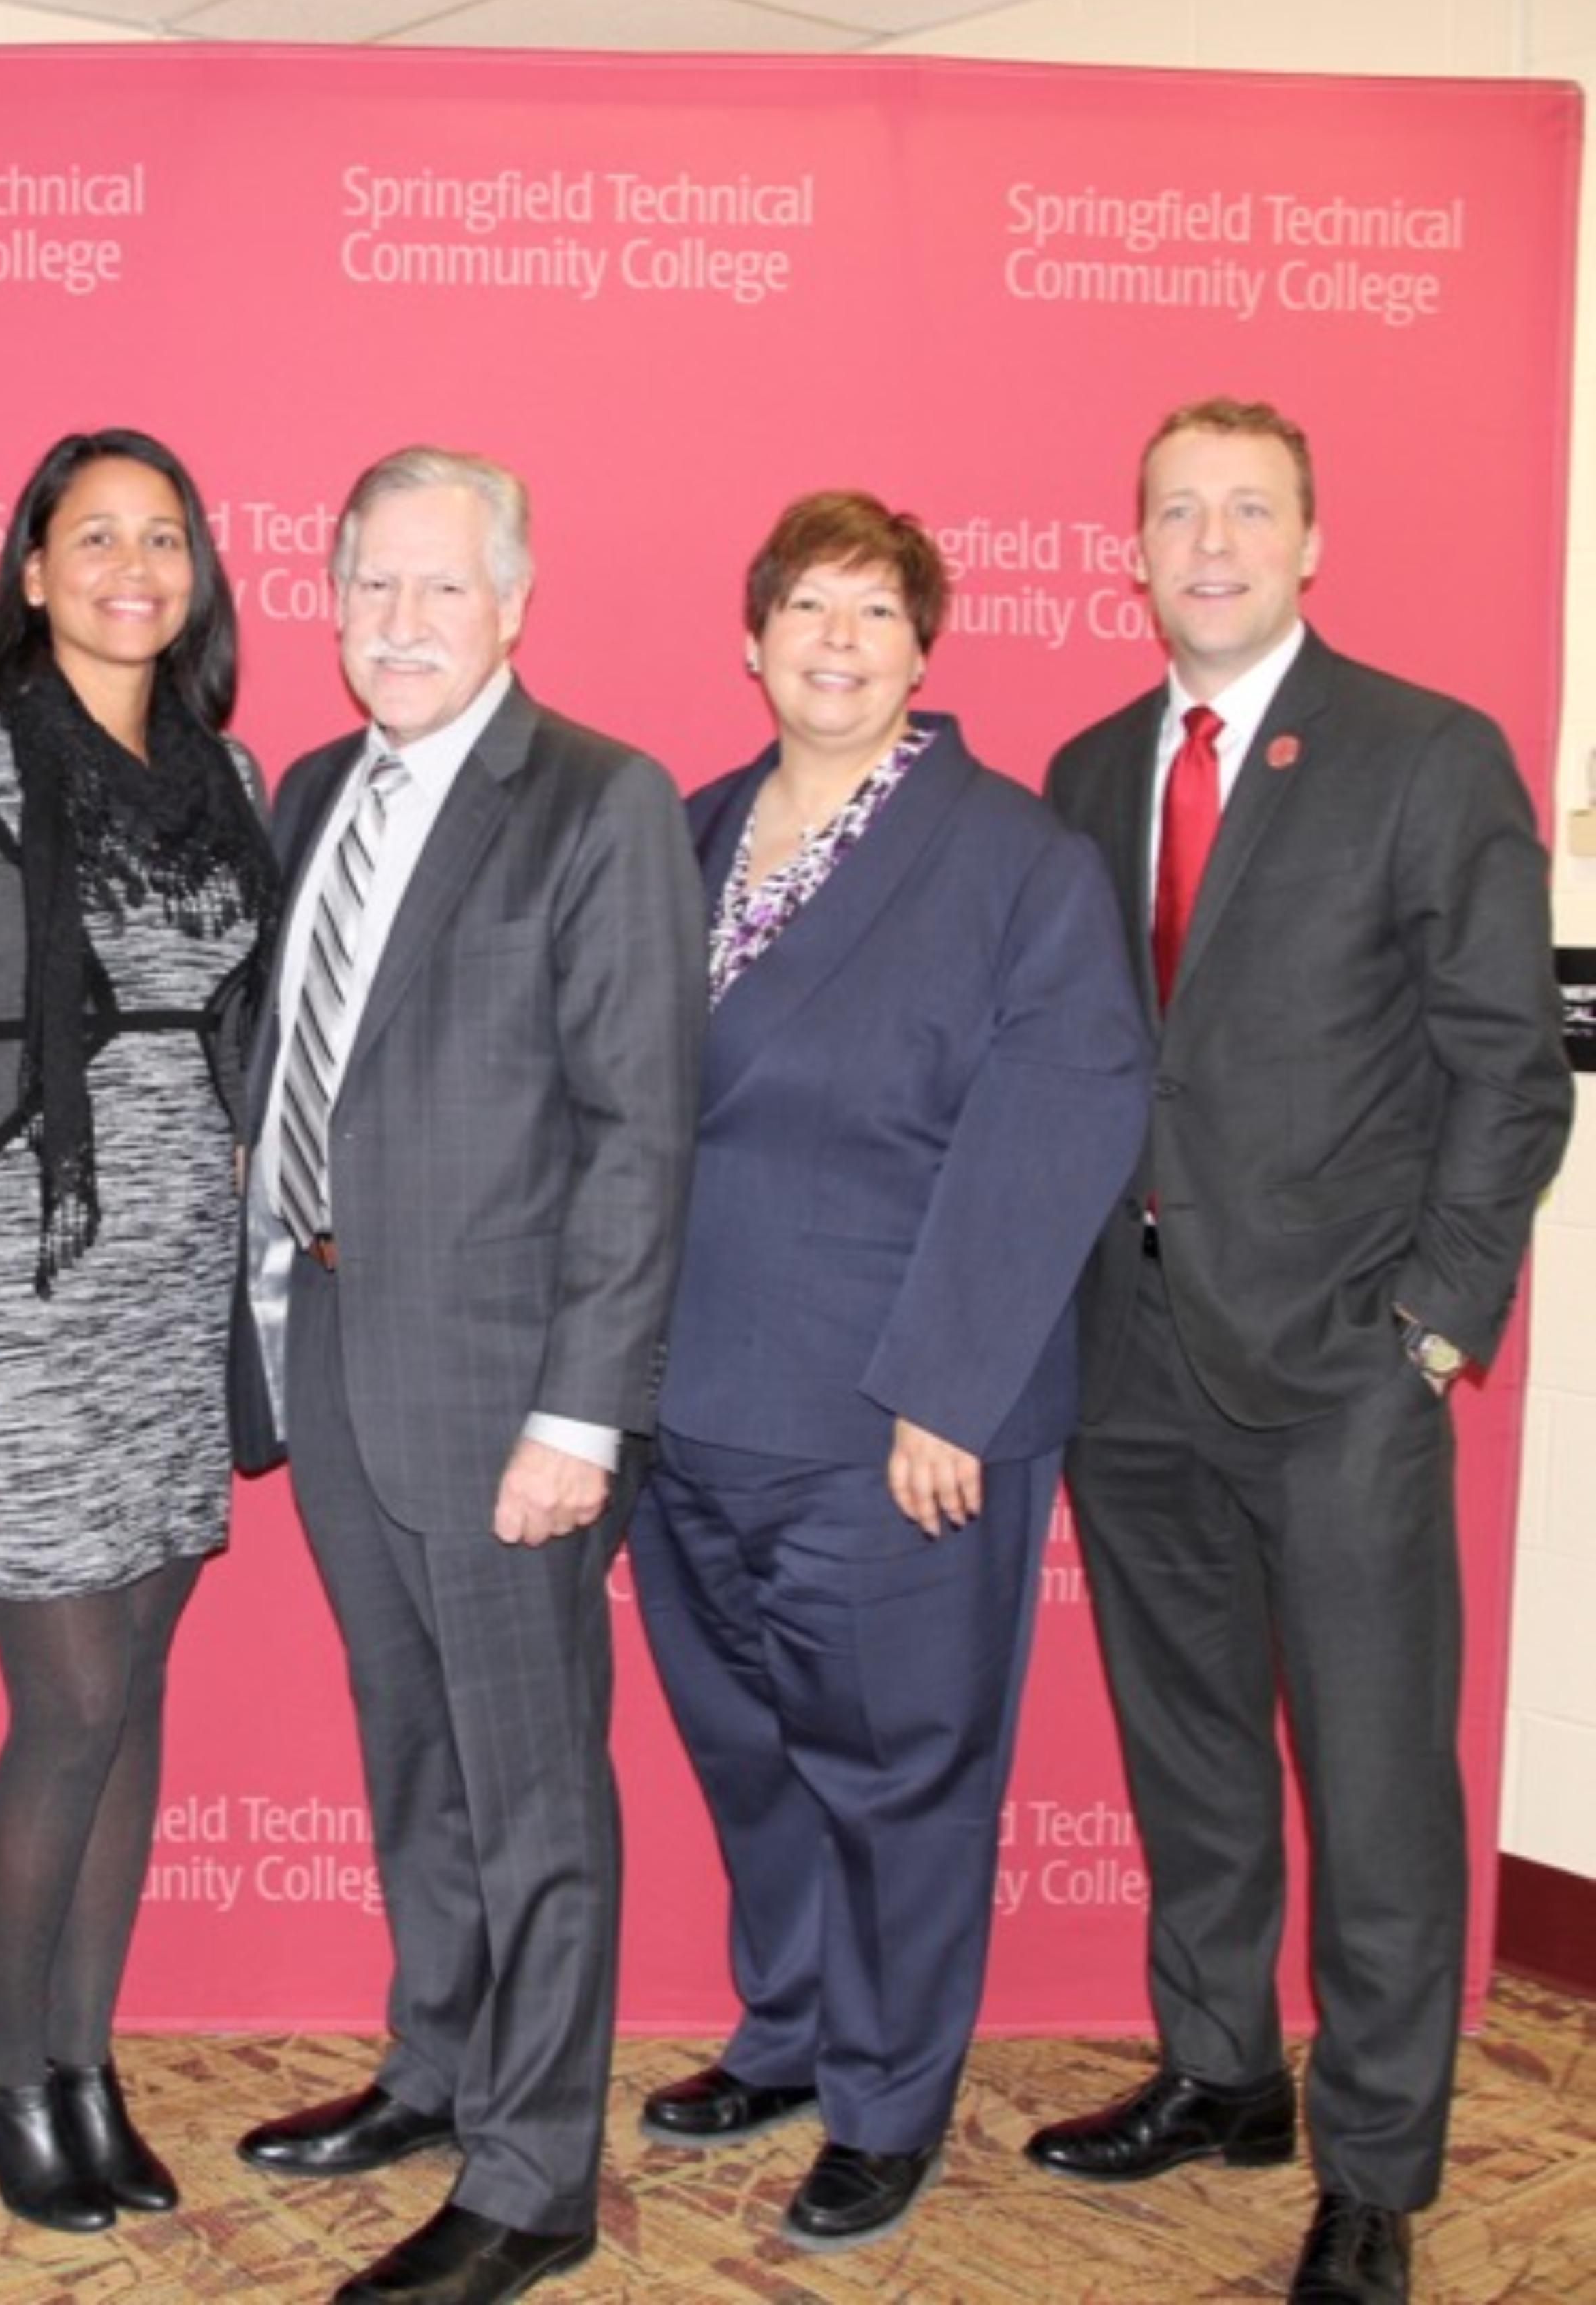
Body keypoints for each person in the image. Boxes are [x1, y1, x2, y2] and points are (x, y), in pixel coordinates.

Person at [1031, 400, 1570, 2305]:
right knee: (1186, 1755)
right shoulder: (1088, 769)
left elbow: (1507, 1072)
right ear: (1132, 545)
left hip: (1344, 1367)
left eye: (1243, 508)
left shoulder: (1425, 756)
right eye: (1171, 508)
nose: (1206, 539)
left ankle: (1374, 2169)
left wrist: (1432, 1321)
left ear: (1309, 540)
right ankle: (1216, 2071)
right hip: (1132, 1361)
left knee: (1371, 1782)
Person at [624, 492, 1149, 2253]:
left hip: (889, 1424)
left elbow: (1061, 1117)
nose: (834, 642)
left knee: (896, 1775)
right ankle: (785, 2033)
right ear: (750, 636)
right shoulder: (686, 835)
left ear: (923, 649)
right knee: (748, 1755)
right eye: (804, 610)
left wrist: (947, 1388)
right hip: (685, 1409)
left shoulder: (1013, 861)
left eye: (872, 614)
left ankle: (888, 2098)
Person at [229, 446, 704, 2305]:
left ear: (513, 602)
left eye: (441, 588)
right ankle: (434, 2070)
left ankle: (530, 2177)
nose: (401, 623)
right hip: (335, 1338)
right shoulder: (312, 787)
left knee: (531, 1796)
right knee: (410, 1757)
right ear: (330, 607)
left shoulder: (596, 800)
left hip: (511, 1393)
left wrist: (580, 1413)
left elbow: (637, 1136)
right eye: (370, 588)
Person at [0, 430, 277, 2232]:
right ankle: (6, 2064)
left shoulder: (225, 772)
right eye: (89, 535)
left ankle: (83, 2053)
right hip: (18, 1290)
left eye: (159, 536)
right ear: (28, 571)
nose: (128, 564)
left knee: (138, 1700)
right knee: (72, 1698)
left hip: (183, 1292)